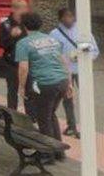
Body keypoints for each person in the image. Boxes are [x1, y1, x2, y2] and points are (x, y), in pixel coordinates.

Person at [16, 12, 73, 146]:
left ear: (24, 26)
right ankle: (58, 151)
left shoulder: (23, 43)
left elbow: (23, 68)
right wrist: (69, 82)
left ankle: (48, 153)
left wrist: (21, 87)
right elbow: (63, 61)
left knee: (43, 118)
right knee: (50, 113)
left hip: (45, 83)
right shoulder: (52, 40)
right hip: (62, 81)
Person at [49, 7, 99, 137]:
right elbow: (52, 53)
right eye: (66, 16)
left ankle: (87, 125)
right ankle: (72, 126)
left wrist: (83, 55)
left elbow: (95, 50)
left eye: (71, 16)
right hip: (65, 71)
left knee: (85, 98)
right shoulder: (54, 34)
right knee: (67, 98)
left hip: (82, 70)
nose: (69, 19)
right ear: (60, 18)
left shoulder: (83, 31)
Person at [0, 0, 32, 113]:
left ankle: (31, 117)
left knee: (29, 91)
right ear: (15, 9)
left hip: (27, 62)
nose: (26, 11)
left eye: (26, 8)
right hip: (11, 63)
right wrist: (12, 36)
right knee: (12, 91)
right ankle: (12, 116)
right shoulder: (5, 25)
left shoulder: (27, 24)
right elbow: (1, 44)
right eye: (23, 8)